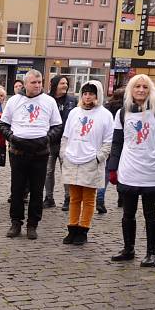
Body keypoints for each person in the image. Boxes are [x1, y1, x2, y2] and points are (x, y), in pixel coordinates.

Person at [108, 74, 155, 267]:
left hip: (151, 170)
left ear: (150, 90)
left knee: (150, 214)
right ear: (131, 89)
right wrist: (113, 168)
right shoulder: (122, 113)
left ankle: (152, 253)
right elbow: (117, 142)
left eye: (145, 87)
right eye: (137, 86)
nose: (141, 90)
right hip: (129, 169)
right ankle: (128, 249)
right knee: (128, 213)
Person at [0, 69, 63, 240]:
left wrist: (46, 139)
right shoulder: (14, 101)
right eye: (33, 82)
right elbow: (3, 124)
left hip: (40, 152)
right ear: (26, 84)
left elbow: (57, 126)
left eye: (40, 82)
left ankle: (32, 224)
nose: (37, 85)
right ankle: (16, 222)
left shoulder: (49, 102)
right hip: (18, 151)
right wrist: (12, 137)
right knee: (17, 189)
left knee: (36, 190)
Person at [60, 81, 113, 245]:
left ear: (97, 95)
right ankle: (72, 227)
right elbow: (66, 135)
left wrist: (99, 157)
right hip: (73, 158)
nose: (88, 97)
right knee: (74, 197)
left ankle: (83, 229)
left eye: (91, 93)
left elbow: (108, 140)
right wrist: (64, 153)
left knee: (89, 198)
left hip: (91, 160)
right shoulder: (74, 112)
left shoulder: (105, 115)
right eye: (85, 93)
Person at [44, 75, 77, 210]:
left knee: (66, 170)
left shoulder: (73, 101)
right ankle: (49, 197)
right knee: (48, 171)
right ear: (55, 85)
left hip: (66, 142)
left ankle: (68, 198)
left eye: (66, 83)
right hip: (50, 141)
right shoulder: (47, 100)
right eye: (62, 83)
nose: (65, 86)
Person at [97, 87, 127, 213]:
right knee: (123, 173)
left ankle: (100, 199)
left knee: (106, 173)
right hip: (121, 145)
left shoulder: (106, 108)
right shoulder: (125, 111)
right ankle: (122, 199)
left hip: (108, 143)